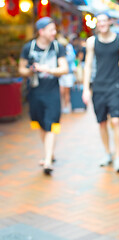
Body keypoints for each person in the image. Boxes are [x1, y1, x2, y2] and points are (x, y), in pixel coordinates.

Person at [82, 12, 119, 173]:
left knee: (116, 121)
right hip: (98, 87)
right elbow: (88, 66)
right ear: (97, 24)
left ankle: (118, 156)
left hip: (115, 86)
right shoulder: (92, 42)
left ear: (110, 22)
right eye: (100, 22)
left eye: (105, 21)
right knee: (102, 122)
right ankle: (107, 153)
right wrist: (86, 89)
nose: (102, 24)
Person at [18, 17, 68, 174]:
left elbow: (64, 69)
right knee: (41, 124)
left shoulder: (58, 47)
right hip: (35, 91)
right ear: (41, 31)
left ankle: (47, 161)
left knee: (51, 123)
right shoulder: (29, 47)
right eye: (51, 29)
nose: (54, 32)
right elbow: (21, 70)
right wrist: (32, 70)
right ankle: (49, 153)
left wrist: (48, 69)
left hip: (52, 91)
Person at [58, 36, 76, 113]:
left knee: (67, 92)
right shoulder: (58, 49)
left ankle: (66, 106)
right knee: (61, 91)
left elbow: (72, 58)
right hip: (60, 74)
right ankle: (61, 106)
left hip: (68, 73)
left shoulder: (69, 48)